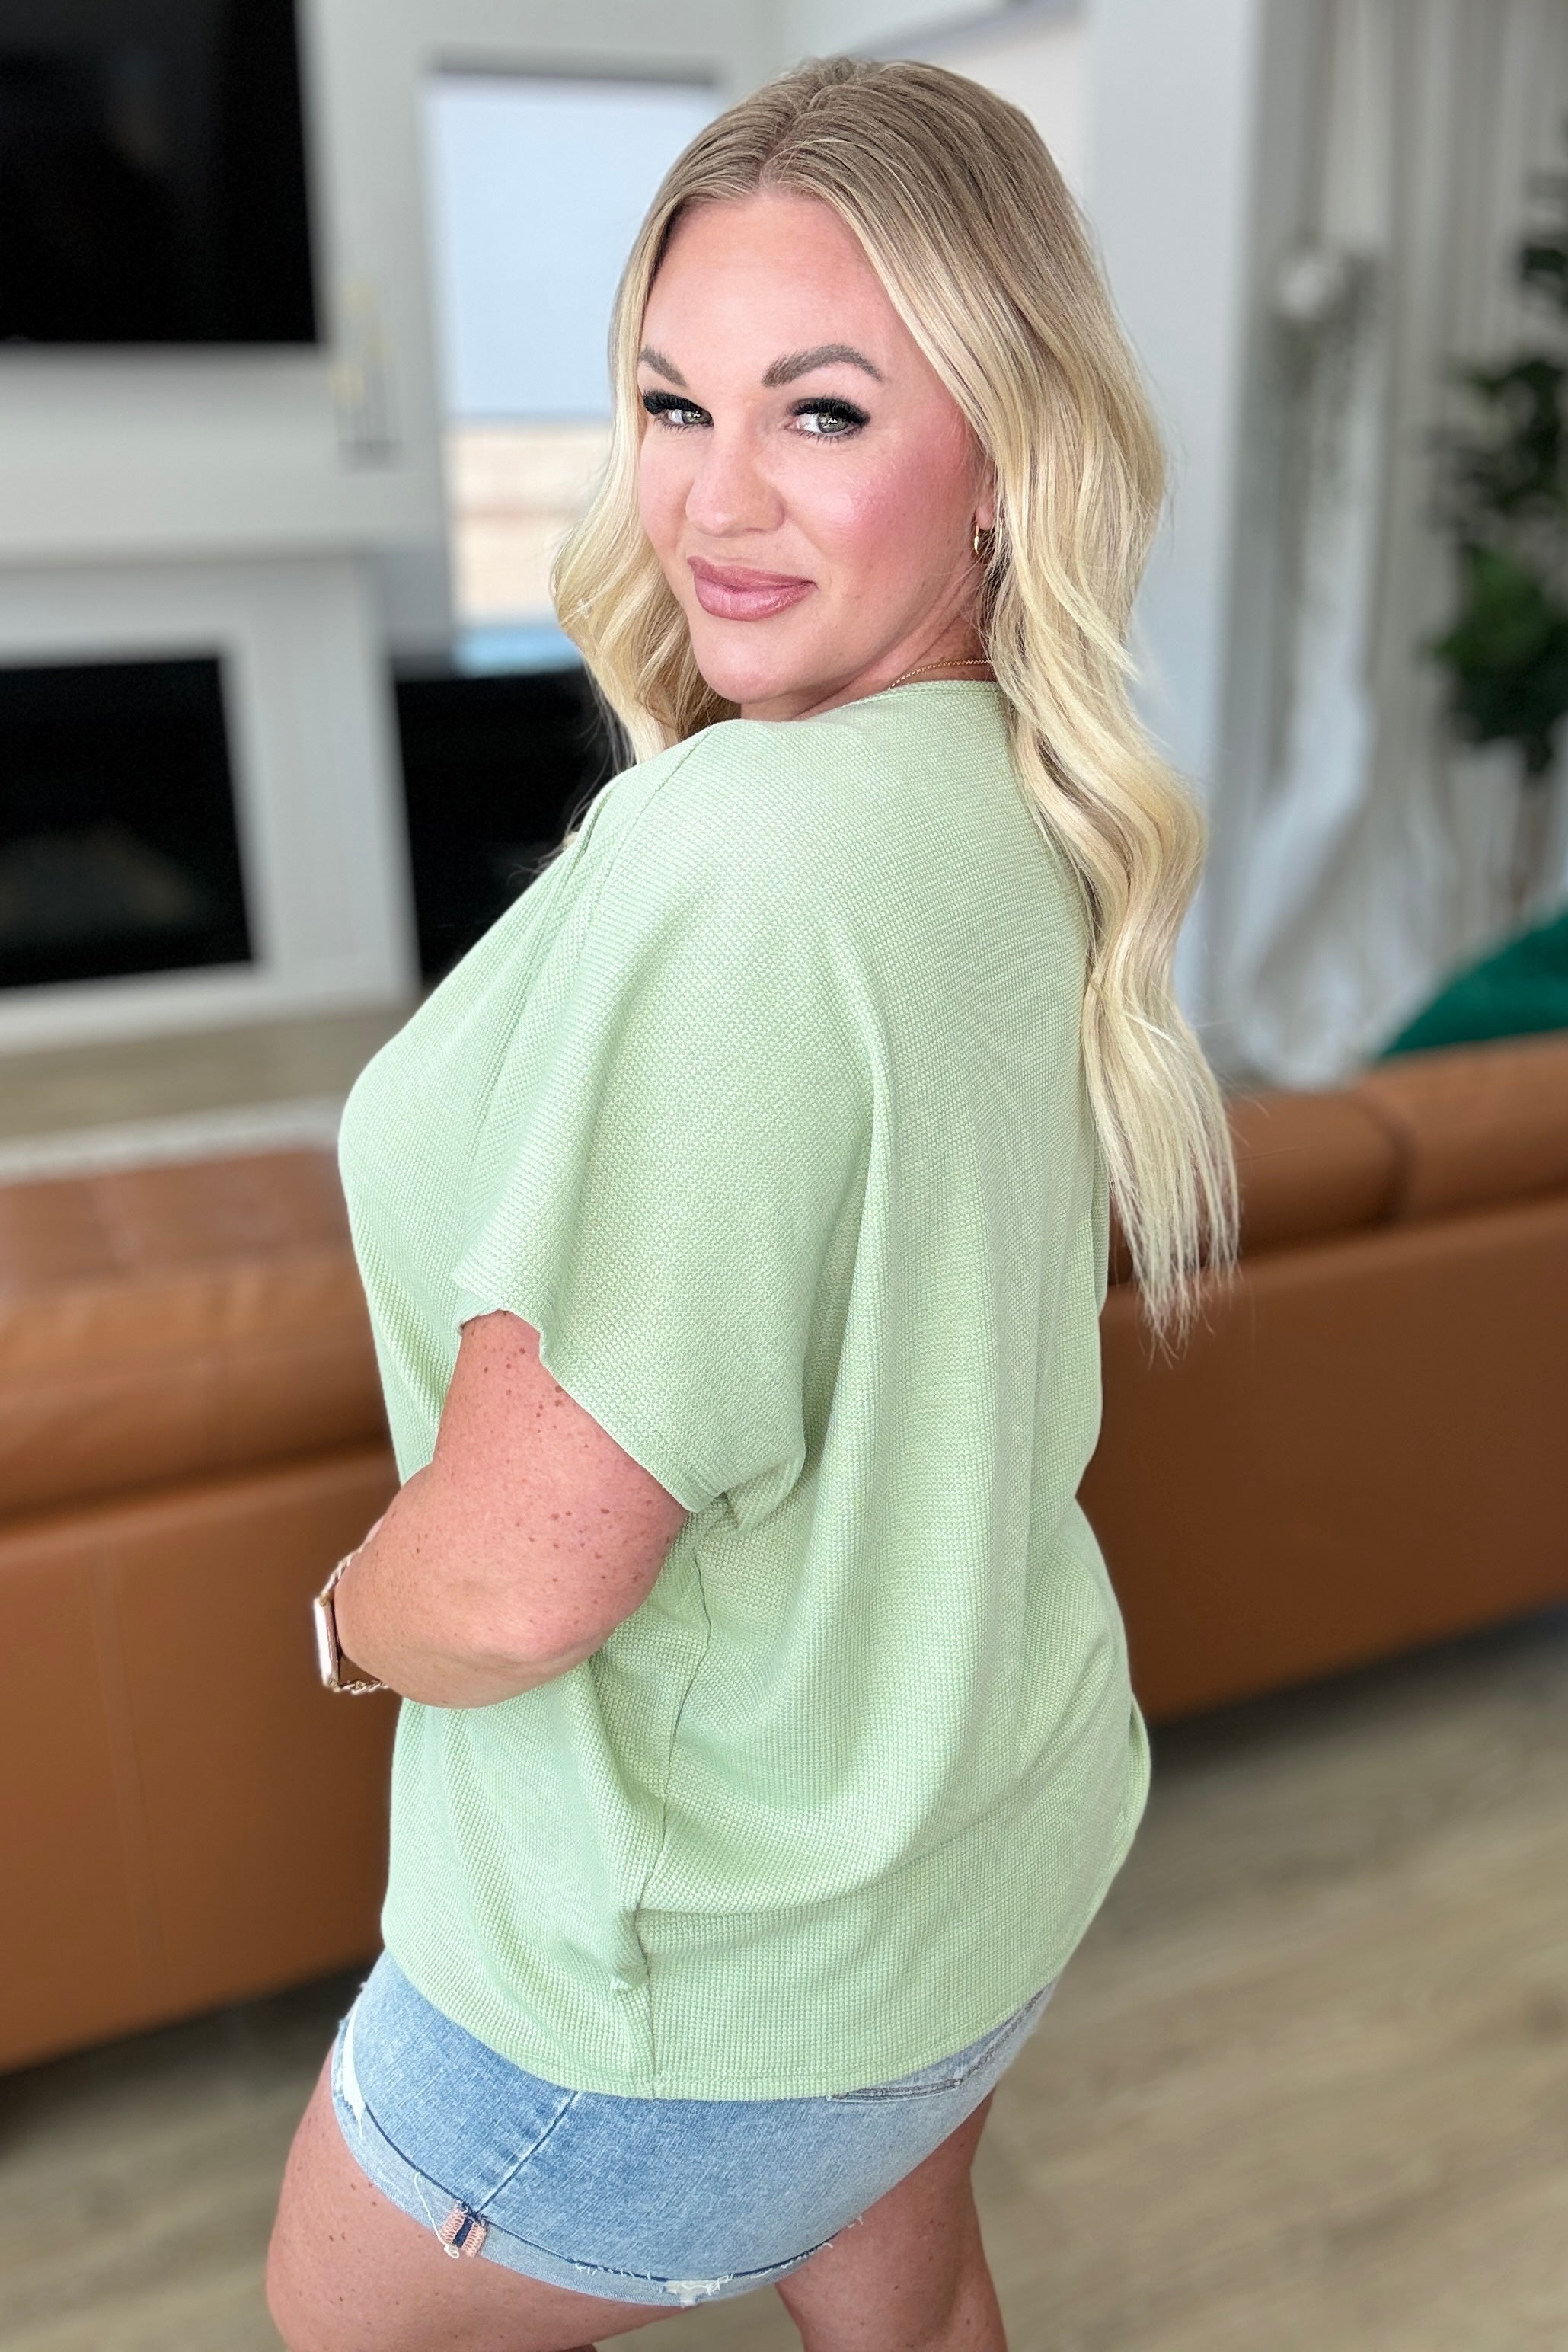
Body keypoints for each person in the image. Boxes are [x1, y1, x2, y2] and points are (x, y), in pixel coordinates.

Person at [267, 54, 1235, 2352]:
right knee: (909, 2304)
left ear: (1004, 449)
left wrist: (342, 1621)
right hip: (972, 1849)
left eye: (820, 412)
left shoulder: (742, 862)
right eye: (670, 402)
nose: (715, 498)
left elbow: (516, 1582)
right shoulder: (1023, 803)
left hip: (668, 1976)